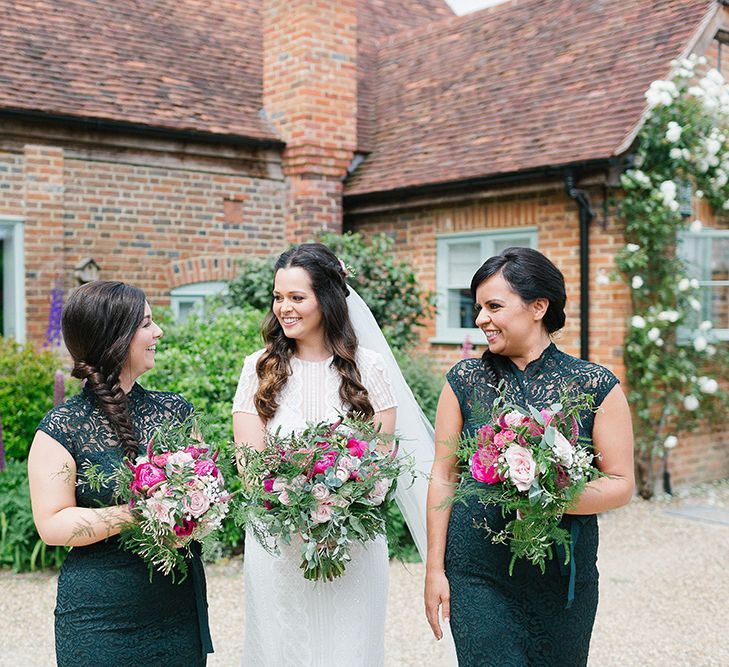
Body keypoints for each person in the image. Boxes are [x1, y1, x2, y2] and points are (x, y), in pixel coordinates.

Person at [424, 247, 634, 667]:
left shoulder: (594, 385)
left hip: (561, 578)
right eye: (478, 307)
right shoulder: (463, 381)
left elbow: (621, 483)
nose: (481, 318)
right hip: (477, 571)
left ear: (539, 307)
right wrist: (434, 570)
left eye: (494, 306)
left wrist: (543, 495)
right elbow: (443, 476)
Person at [232, 243, 402, 667]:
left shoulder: (370, 368)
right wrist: (297, 505)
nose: (283, 308)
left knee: (349, 649)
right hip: (277, 543)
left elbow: (379, 465)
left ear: (326, 299)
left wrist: (336, 506)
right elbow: (250, 468)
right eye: (277, 297)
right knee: (280, 648)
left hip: (351, 543)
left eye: (296, 297)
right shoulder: (259, 368)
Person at [28, 280, 213, 667]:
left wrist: (197, 508)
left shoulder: (176, 413)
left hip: (176, 609)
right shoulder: (62, 428)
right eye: (146, 324)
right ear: (116, 337)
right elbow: (53, 524)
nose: (158, 331)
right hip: (99, 618)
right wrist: (139, 511)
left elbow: (207, 489)